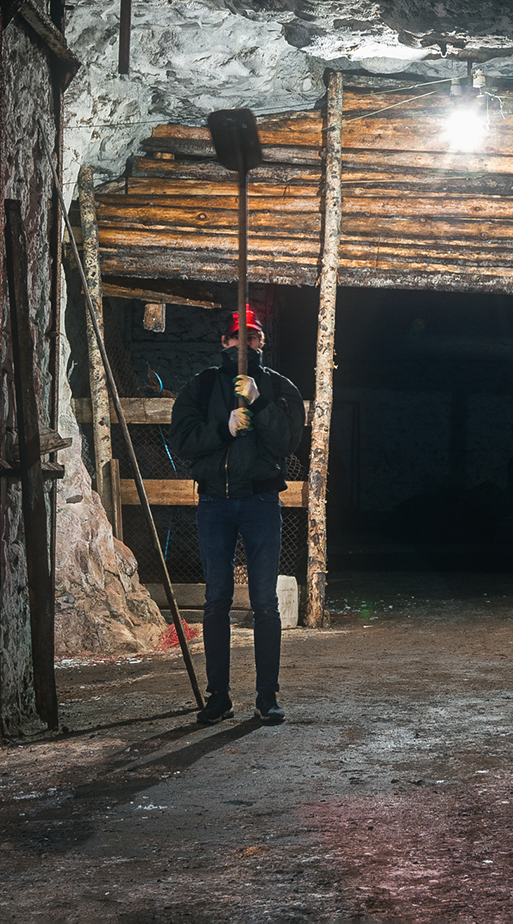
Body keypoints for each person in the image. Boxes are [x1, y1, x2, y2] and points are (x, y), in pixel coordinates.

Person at [169, 306, 305, 726]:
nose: (245, 345)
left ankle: (267, 696)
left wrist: (259, 404)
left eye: (253, 337)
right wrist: (224, 428)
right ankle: (219, 696)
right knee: (216, 602)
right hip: (215, 504)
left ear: (262, 343)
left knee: (265, 603)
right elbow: (184, 440)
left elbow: (287, 442)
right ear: (223, 343)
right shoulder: (203, 385)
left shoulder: (279, 388)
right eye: (236, 338)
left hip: (261, 503)